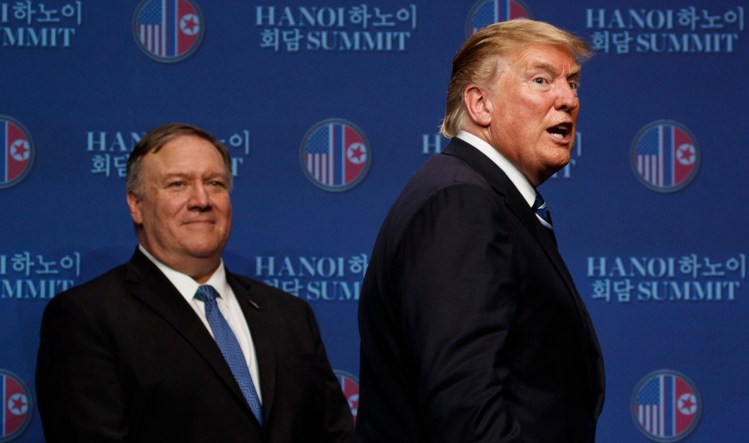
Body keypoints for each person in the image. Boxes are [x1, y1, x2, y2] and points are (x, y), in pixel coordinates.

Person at [355, 19, 605, 442]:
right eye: (542, 80)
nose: (568, 100)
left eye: (573, 83)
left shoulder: (484, 197)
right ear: (480, 105)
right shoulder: (461, 204)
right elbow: (464, 409)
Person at [36, 123, 353, 443]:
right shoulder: (88, 317)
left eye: (215, 183)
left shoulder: (290, 315)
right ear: (136, 204)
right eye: (178, 184)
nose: (201, 200)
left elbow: (333, 435)